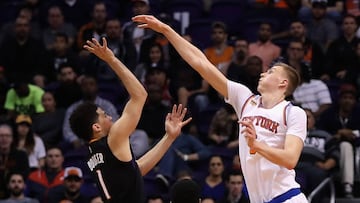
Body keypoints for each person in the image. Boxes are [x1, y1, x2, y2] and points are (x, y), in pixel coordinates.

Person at [132, 15, 308, 203]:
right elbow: (201, 63)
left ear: (283, 83)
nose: (264, 72)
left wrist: (256, 145)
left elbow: (290, 159)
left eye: (271, 71)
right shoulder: (245, 100)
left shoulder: (293, 112)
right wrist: (167, 30)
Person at [69, 37, 191, 203]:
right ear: (96, 127)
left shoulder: (92, 154)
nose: (110, 116)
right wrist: (111, 59)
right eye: (104, 115)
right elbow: (140, 95)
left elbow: (136, 170)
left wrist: (169, 137)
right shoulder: (114, 138)